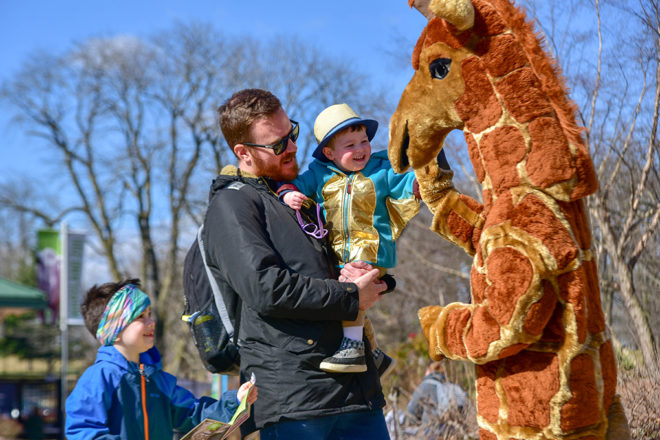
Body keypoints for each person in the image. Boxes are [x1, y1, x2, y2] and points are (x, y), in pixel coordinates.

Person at [208, 88, 389, 439]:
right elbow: (266, 288)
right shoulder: (231, 205)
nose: (291, 147)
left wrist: (373, 278)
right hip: (295, 403)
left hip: (357, 393)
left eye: (291, 133)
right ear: (242, 153)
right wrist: (351, 296)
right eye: (277, 145)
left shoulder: (300, 196)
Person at [279, 103, 419, 374]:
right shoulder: (319, 174)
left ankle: (353, 349)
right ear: (329, 153)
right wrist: (287, 194)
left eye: (364, 141)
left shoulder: (380, 169)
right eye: (350, 145)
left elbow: (405, 182)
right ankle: (373, 353)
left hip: (371, 250)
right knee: (344, 300)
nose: (360, 149)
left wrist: (420, 184)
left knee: (351, 291)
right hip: (335, 254)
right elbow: (293, 186)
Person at [65, 279, 257, 439]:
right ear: (113, 331)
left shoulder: (158, 380)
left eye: (150, 314)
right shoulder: (99, 377)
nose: (151, 322)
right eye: (140, 316)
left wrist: (235, 401)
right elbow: (82, 430)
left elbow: (193, 413)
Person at [407, 361, 467, 436]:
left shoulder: (425, 386)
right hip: (457, 433)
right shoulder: (453, 386)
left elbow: (412, 412)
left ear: (428, 371)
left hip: (433, 434)